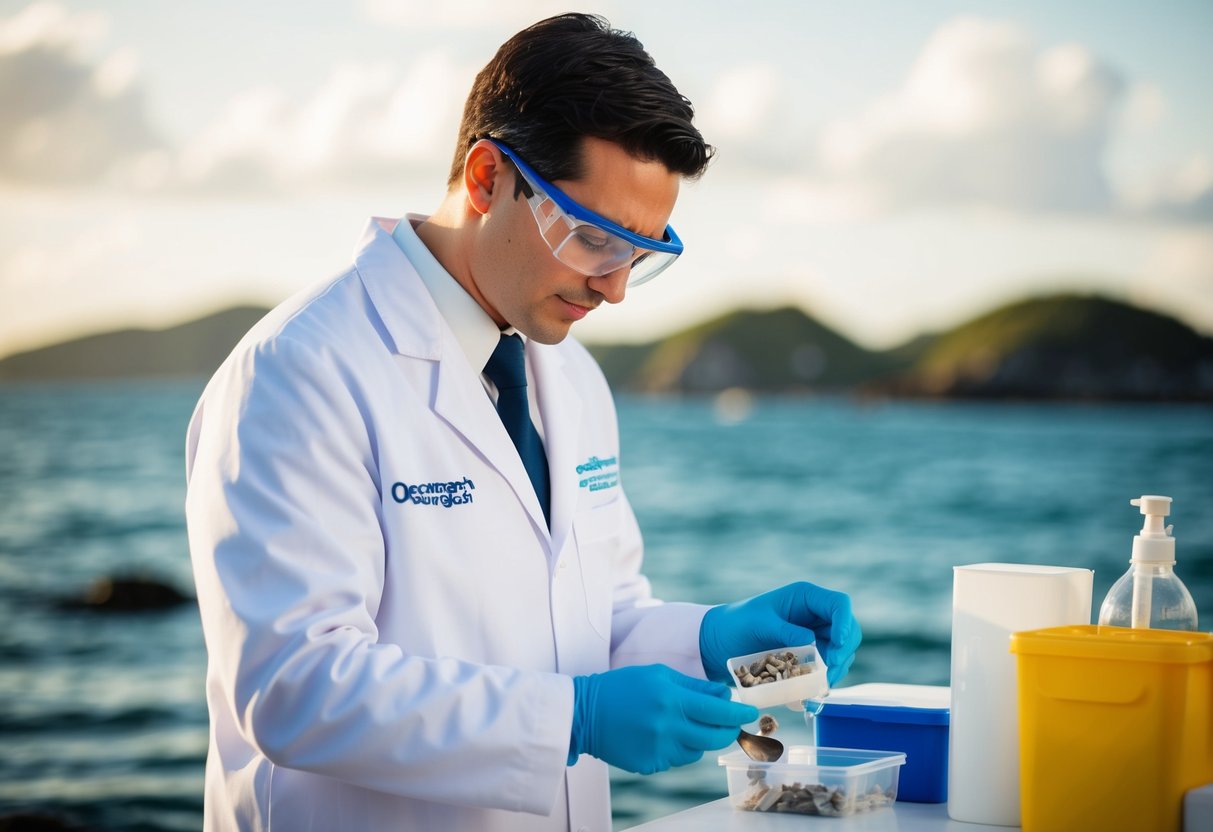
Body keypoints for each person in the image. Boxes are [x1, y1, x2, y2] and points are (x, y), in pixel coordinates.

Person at [185, 12, 861, 832]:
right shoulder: (300, 371)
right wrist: (570, 722)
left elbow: (590, 626)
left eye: (638, 254)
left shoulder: (570, 376)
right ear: (483, 178)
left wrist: (715, 641)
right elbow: (292, 685)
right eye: (588, 237)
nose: (611, 289)